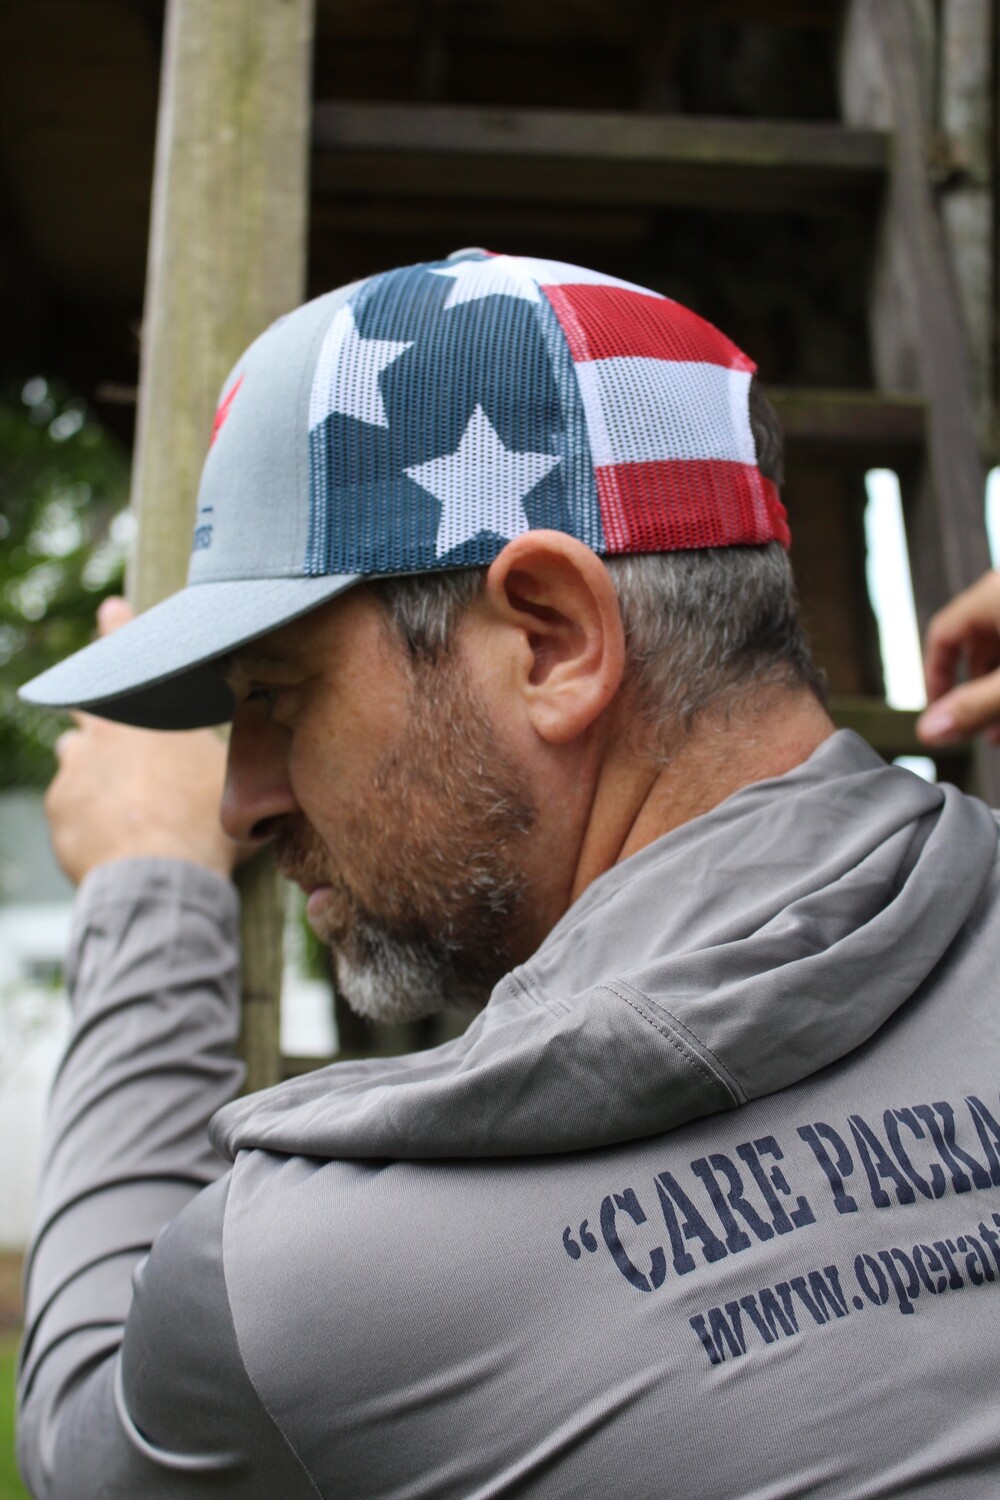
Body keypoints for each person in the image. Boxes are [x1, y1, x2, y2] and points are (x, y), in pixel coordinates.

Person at [15, 250, 1000, 1499]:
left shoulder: (312, 1286)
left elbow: (86, 1456)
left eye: (275, 695)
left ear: (551, 640)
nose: (238, 798)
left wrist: (151, 893)